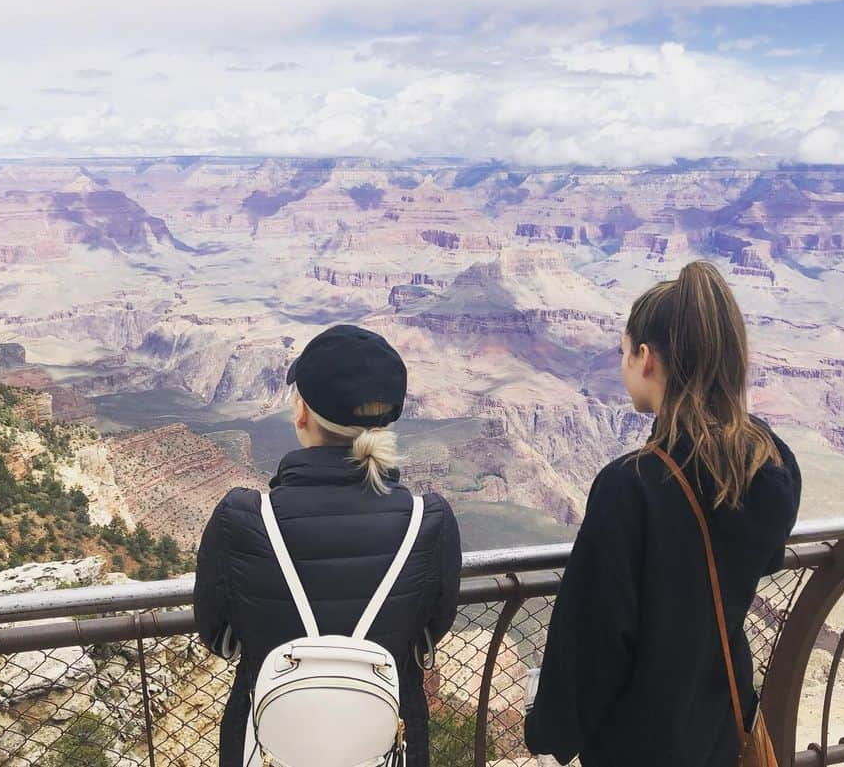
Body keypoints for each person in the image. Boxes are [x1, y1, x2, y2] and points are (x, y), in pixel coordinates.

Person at [524, 261, 801, 767]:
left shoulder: (631, 489)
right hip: (719, 727)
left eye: (625, 351)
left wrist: (548, 729)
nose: (624, 362)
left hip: (641, 742)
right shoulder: (768, 465)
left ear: (646, 358)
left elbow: (594, 639)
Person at [194, 324, 462, 767]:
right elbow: (432, 626)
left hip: (269, 748)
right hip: (385, 747)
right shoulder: (428, 523)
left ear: (301, 413)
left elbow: (218, 635)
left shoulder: (242, 519)